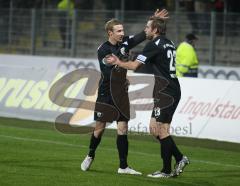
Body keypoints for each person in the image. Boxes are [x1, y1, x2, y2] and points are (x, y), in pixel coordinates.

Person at [80, 10, 169, 175]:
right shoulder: (103, 49)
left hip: (121, 92)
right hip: (106, 93)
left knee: (123, 127)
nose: (123, 33)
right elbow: (108, 71)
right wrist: (122, 76)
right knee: (100, 128)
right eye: (119, 31)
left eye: (123, 30)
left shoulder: (126, 42)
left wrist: (154, 19)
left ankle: (123, 166)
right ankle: (90, 154)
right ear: (110, 33)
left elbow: (142, 35)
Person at [106, 17, 189, 178]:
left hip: (166, 92)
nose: (146, 30)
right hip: (166, 89)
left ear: (155, 30)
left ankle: (166, 170)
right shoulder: (169, 42)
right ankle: (179, 158)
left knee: (162, 130)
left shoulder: (154, 45)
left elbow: (135, 66)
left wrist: (118, 62)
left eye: (148, 27)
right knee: (154, 129)